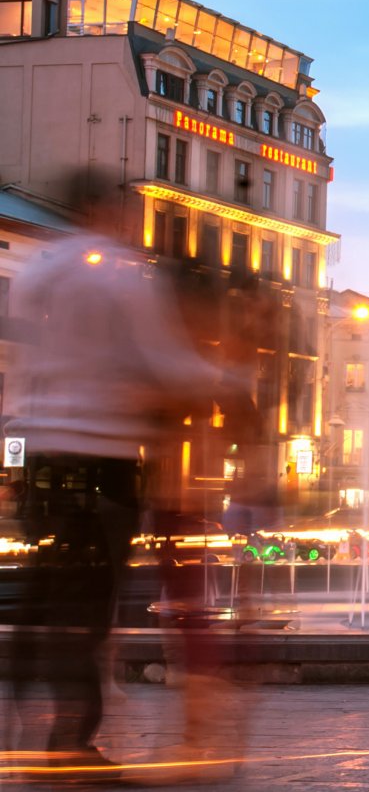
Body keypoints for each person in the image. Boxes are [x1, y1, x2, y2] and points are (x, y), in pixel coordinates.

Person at [10, 172, 229, 768]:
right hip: (103, 459)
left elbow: (21, 357)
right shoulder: (118, 275)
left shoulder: (35, 271)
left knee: (47, 590)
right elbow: (161, 359)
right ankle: (71, 741)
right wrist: (225, 384)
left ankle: (38, 719)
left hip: (44, 458)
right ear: (101, 208)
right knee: (90, 602)